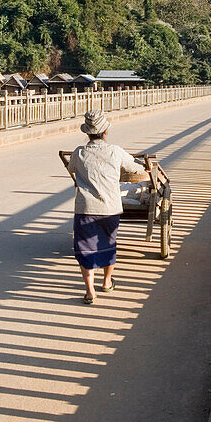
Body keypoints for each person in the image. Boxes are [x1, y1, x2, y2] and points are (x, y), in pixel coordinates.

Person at [67, 110, 142, 305]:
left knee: (85, 248)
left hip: (85, 208)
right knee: (108, 243)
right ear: (105, 132)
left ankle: (90, 290)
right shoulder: (115, 151)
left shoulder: (79, 152)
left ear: (87, 132)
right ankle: (107, 282)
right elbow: (135, 168)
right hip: (110, 208)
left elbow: (71, 170)